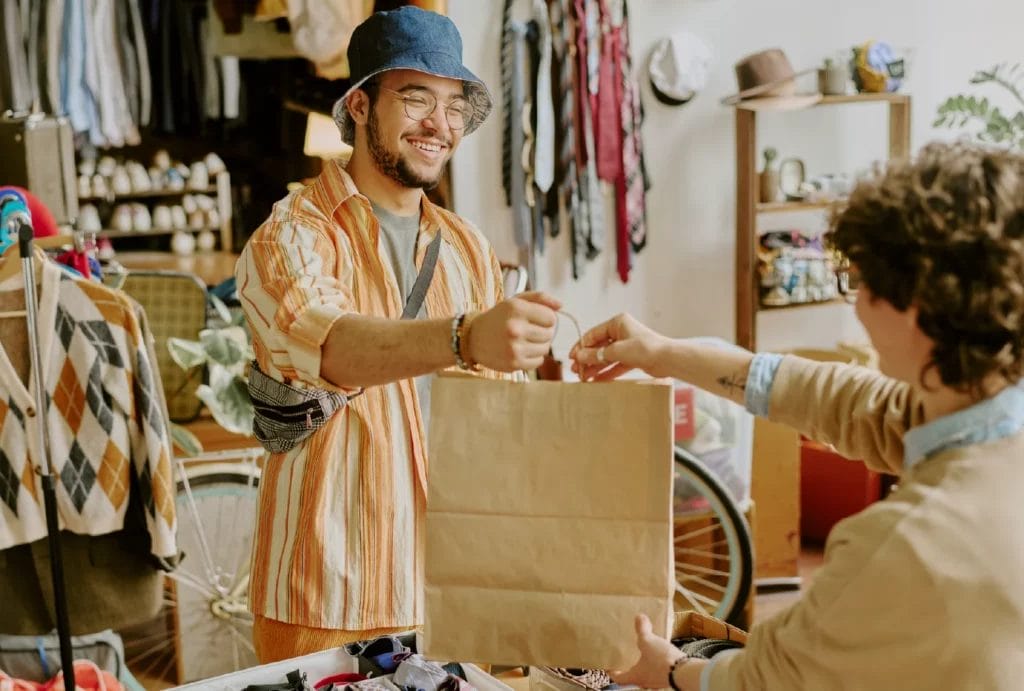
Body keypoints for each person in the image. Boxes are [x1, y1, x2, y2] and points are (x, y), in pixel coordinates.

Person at [571, 141, 1024, 689]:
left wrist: (667, 669)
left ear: (915, 307)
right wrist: (661, 352)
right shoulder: (979, 409)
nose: (852, 304)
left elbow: (771, 680)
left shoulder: (907, 542)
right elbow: (846, 401)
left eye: (859, 283)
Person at [236, 6, 560, 663]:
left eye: (454, 106)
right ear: (358, 104)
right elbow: (331, 347)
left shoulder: (467, 246)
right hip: (327, 596)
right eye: (416, 99)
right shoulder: (294, 232)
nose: (440, 125)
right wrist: (466, 336)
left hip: (450, 592)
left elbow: (499, 414)